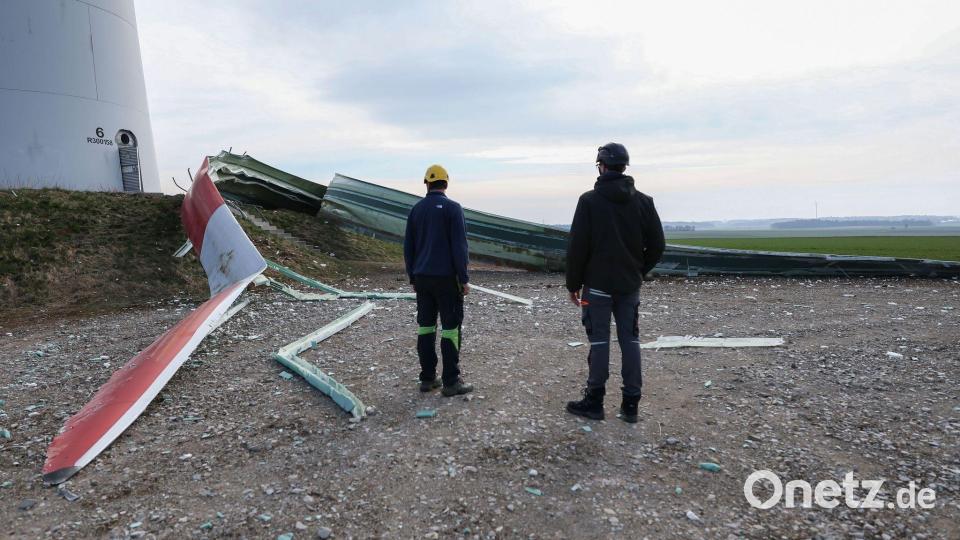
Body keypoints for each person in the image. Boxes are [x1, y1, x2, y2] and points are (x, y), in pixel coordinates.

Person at [564, 143, 665, 423]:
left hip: (596, 287)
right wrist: (638, 271)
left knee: (599, 342)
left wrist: (573, 283)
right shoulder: (644, 202)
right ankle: (631, 405)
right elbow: (658, 245)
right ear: (624, 167)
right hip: (629, 286)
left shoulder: (589, 201)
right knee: (630, 341)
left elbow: (577, 247)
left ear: (602, 167)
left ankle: (594, 402)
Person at [403, 164, 474, 397]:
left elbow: (408, 247)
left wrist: (413, 277)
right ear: (446, 183)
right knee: (450, 329)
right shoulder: (453, 209)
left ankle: (427, 378)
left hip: (422, 279)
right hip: (446, 280)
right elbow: (459, 247)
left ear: (426, 183)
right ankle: (451, 382)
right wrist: (463, 279)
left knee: (425, 327)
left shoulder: (416, 210)